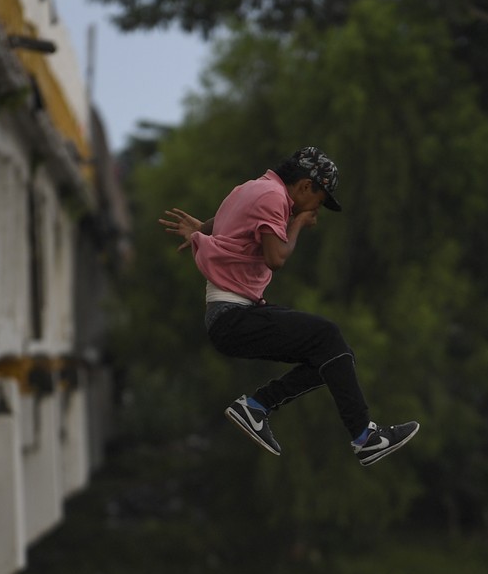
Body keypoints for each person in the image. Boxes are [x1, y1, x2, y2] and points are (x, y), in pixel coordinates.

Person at [159, 147, 419, 468]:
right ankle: (364, 437)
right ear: (306, 186)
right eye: (319, 201)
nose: (316, 210)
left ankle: (258, 407)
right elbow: (276, 258)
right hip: (234, 317)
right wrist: (296, 223)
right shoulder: (273, 198)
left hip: (231, 315)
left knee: (334, 355)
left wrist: (201, 228)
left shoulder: (249, 188)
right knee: (327, 335)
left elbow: (222, 222)